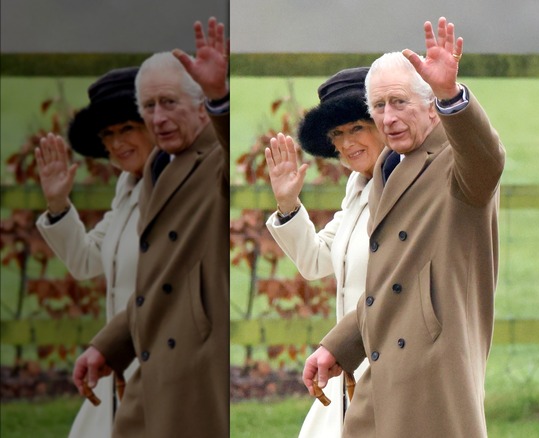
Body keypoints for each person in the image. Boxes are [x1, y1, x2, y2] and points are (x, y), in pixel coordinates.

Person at [302, 17, 505, 437]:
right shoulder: (385, 169)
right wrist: (338, 345)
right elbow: (389, 282)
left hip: (434, 376)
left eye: (399, 102)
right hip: (382, 371)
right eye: (378, 107)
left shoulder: (458, 160)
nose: (388, 118)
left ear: (430, 104)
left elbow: (488, 159)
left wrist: (452, 94)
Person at [71, 17, 230, 437]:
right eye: (148, 107)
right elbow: (157, 283)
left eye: (169, 102)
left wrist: (222, 100)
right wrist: (108, 345)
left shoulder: (216, 158)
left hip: (198, 369)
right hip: (150, 363)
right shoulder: (158, 166)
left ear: (199, 105)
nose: (157, 118)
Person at [264, 67, 384, 437]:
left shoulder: (406, 186)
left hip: (389, 363)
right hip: (344, 362)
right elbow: (316, 261)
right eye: (337, 134)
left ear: (383, 124)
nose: (347, 143)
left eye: (357, 128)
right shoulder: (358, 187)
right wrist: (287, 204)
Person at [35, 66, 153, 438]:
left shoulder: (175, 187)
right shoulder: (127, 187)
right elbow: (86, 261)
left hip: (159, 359)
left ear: (152, 126)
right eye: (108, 134)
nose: (117, 143)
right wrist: (57, 204)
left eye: (127, 129)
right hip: (114, 357)